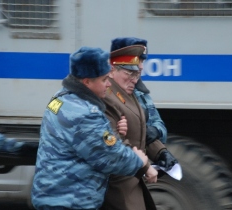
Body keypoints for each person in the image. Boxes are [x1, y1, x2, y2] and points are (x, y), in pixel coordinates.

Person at [31, 47, 151, 210]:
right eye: (103, 80)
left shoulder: (58, 99)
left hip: (52, 196)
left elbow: (79, 137)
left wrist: (109, 129)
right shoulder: (86, 114)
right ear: (86, 81)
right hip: (71, 201)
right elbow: (111, 158)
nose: (109, 85)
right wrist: (139, 161)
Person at [100, 44, 177, 210]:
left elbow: (141, 130)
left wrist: (160, 152)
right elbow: (115, 140)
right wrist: (146, 167)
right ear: (112, 70)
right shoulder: (107, 96)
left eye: (137, 73)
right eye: (130, 73)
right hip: (118, 184)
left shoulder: (128, 93)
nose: (135, 79)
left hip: (131, 180)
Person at [110, 37, 178, 170]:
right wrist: (146, 167)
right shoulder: (105, 93)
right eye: (136, 60)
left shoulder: (140, 93)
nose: (140, 66)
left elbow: (159, 126)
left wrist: (159, 150)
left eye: (141, 61)